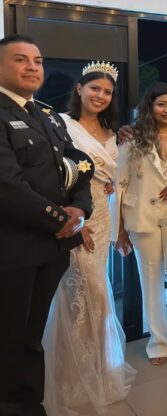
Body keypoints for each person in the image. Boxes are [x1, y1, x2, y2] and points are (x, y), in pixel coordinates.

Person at [0, 34, 94, 416]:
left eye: (37, 61)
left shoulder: (48, 114)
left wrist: (81, 210)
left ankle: (28, 402)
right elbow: (8, 186)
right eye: (21, 59)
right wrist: (60, 220)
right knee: (8, 338)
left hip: (52, 249)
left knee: (31, 336)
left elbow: (80, 167)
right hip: (14, 249)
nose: (32, 67)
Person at [43, 62, 136, 415]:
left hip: (104, 214)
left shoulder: (114, 132)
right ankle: (71, 377)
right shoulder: (61, 126)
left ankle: (95, 370)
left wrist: (109, 182)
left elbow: (112, 175)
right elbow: (55, 178)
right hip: (78, 221)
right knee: (84, 294)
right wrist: (76, 224)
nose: (100, 95)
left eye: (107, 91)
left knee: (97, 299)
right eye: (94, 88)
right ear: (79, 89)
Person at [110, 82, 167, 366]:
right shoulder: (133, 138)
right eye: (162, 104)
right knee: (150, 280)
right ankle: (158, 344)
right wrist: (119, 230)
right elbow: (120, 183)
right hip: (142, 217)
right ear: (150, 106)